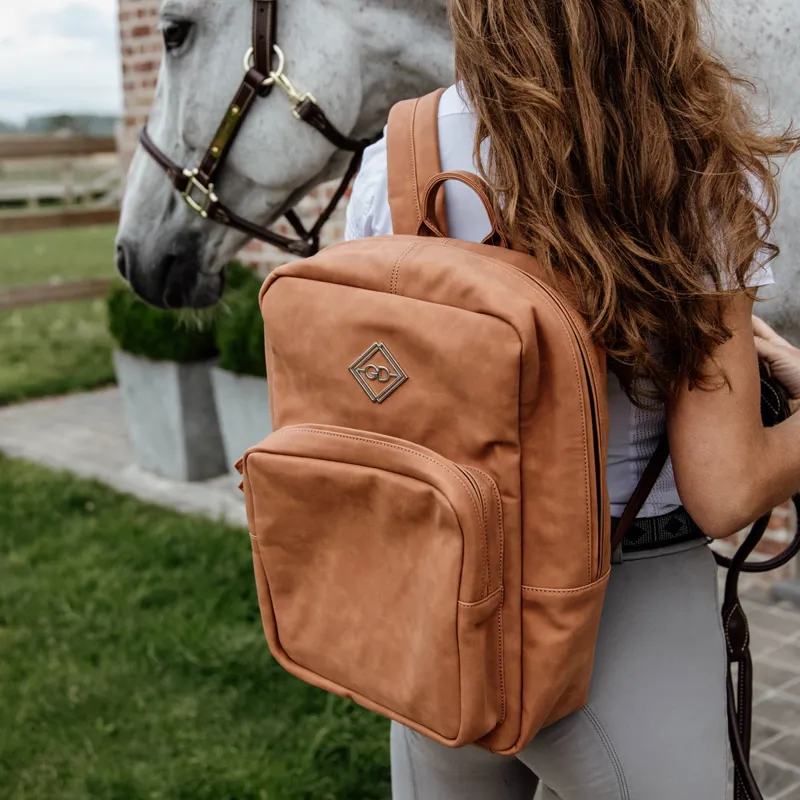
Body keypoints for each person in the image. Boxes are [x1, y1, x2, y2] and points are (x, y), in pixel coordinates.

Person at [345, 0, 800, 797]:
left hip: (443, 600)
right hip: (629, 625)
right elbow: (726, 487)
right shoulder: (684, 160)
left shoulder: (398, 154)